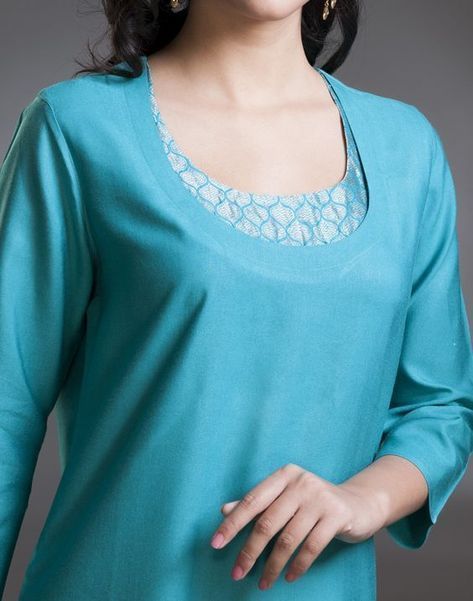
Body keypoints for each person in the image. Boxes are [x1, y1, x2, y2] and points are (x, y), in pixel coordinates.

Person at [1, 0, 472, 599]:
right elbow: (7, 408)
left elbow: (439, 406)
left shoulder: (407, 150)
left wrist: (362, 499)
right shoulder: (76, 128)